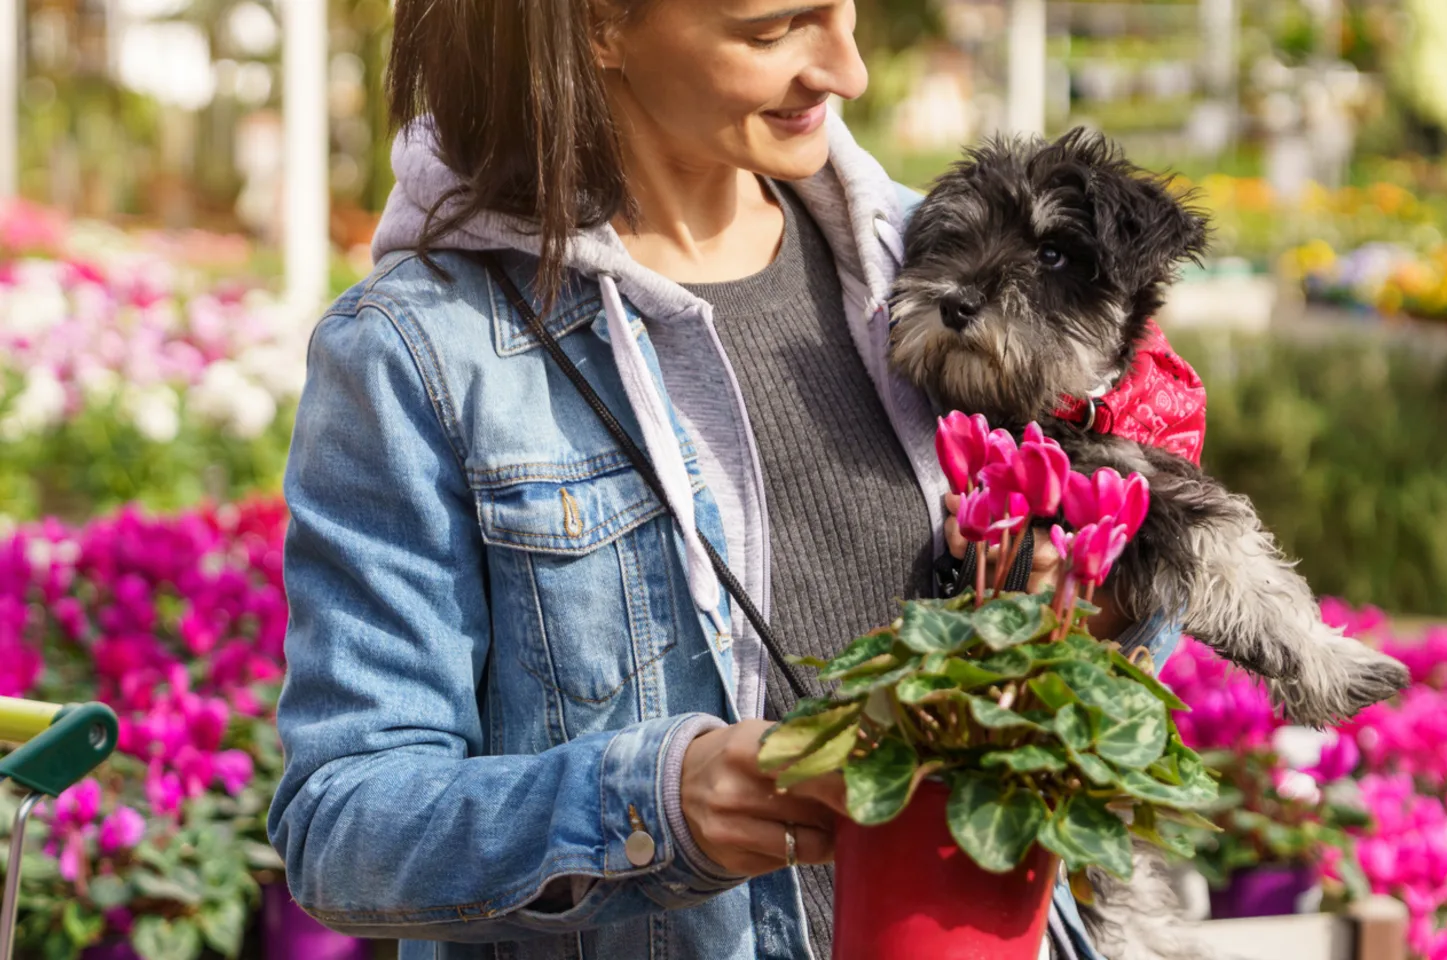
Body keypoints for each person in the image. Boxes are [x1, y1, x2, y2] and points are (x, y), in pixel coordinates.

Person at [266, 2, 1181, 958]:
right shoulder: (423, 352)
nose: (847, 70)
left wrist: (1095, 598)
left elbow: (1112, 612)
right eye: (776, 28)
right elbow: (343, 825)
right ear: (598, 29)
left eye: (844, 11)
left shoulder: (949, 269)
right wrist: (661, 800)